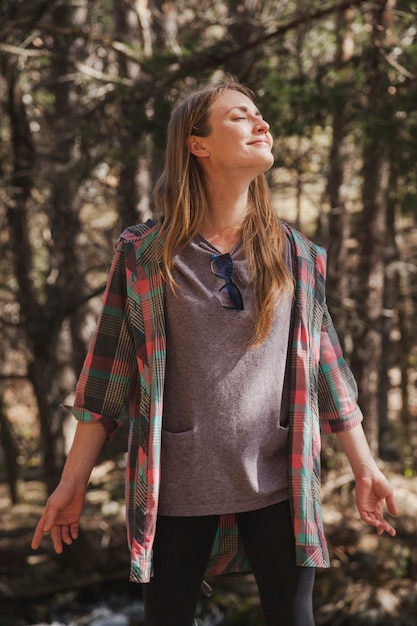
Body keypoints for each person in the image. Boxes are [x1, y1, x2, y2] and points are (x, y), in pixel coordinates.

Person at [32, 76, 398, 626]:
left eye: (260, 114)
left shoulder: (296, 253)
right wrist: (71, 482)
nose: (261, 123)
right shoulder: (144, 254)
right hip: (174, 484)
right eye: (239, 116)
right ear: (196, 144)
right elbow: (108, 375)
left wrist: (364, 464)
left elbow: (328, 366)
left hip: (280, 478)